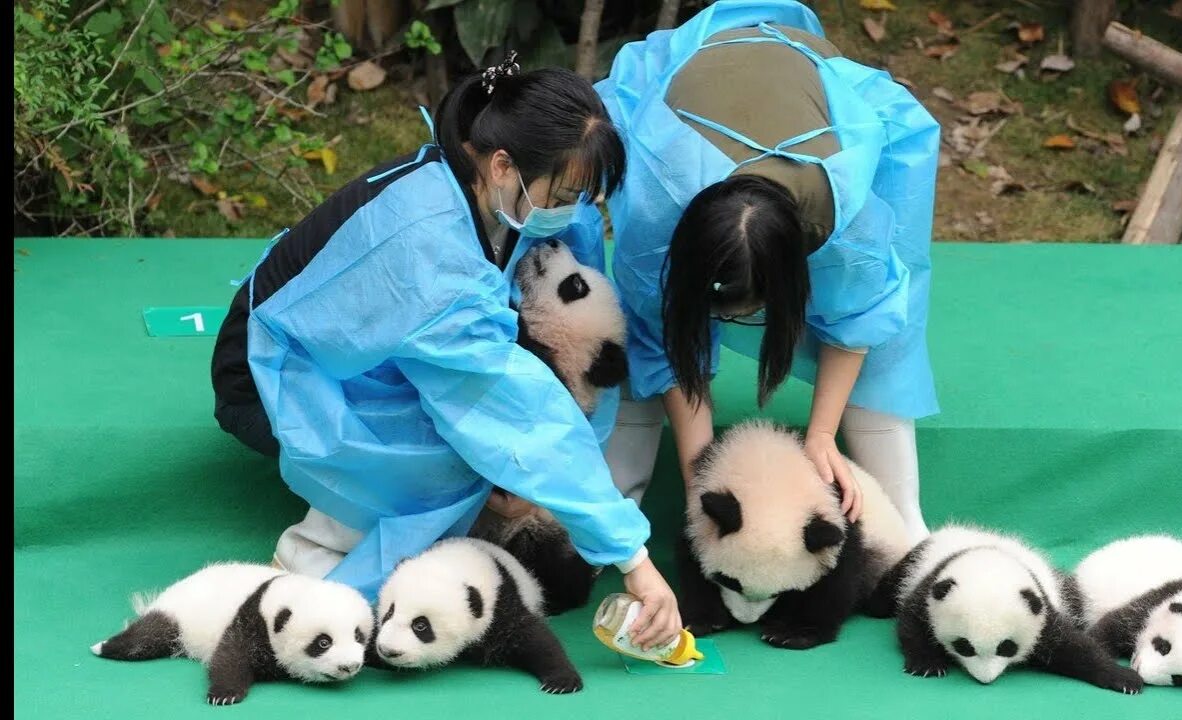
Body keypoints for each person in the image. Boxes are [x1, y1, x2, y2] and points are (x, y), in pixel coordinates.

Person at [209, 53, 681, 650]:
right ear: (504, 165)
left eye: (583, 194)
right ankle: (318, 558)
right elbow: (509, 405)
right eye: (564, 193)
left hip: (352, 343)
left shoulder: (486, 185)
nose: (573, 208)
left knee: (494, 431)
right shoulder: (432, 246)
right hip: (269, 372)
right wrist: (631, 556)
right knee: (460, 450)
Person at [595, 0, 939, 542]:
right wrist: (699, 474)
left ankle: (908, 527)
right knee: (641, 345)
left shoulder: (844, 223)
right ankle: (612, 514)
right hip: (692, 88)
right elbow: (664, 339)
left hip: (807, 85)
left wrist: (821, 435)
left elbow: (860, 319)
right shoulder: (656, 213)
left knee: (885, 338)